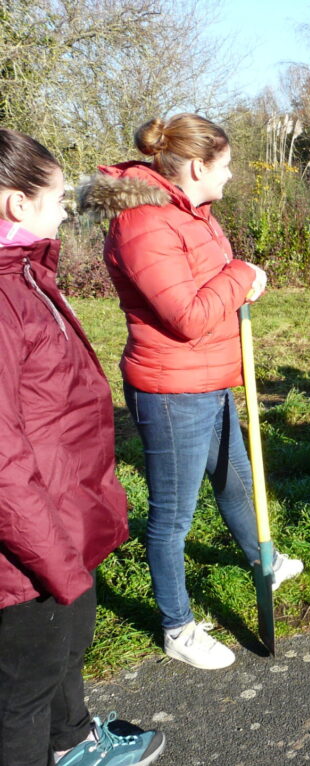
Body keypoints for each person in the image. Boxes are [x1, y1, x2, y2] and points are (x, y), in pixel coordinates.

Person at [79, 114, 302, 671]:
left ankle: (262, 560)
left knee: (234, 477)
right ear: (199, 166)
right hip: (173, 387)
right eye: (225, 166)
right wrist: (241, 276)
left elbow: (215, 282)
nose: (230, 177)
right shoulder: (145, 223)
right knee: (173, 517)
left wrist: (241, 281)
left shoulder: (191, 213)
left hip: (211, 375)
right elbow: (185, 315)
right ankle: (177, 625)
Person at [0, 129, 164, 766]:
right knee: (21, 693)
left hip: (58, 520)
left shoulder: (25, 274)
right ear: (17, 203)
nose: (67, 207)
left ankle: (72, 745)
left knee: (62, 657)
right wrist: (54, 559)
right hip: (27, 547)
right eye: (57, 196)